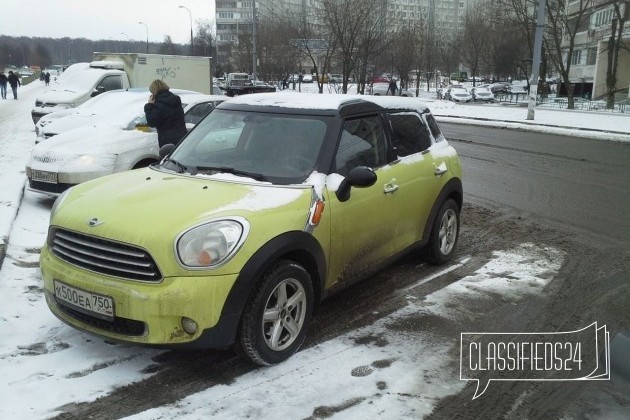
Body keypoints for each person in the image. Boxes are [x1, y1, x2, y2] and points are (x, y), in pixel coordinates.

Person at [144, 79, 187, 148]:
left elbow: (151, 123)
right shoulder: (176, 100)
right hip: (182, 137)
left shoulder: (158, 106)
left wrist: (149, 105)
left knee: (168, 158)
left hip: (167, 142)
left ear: (154, 92)